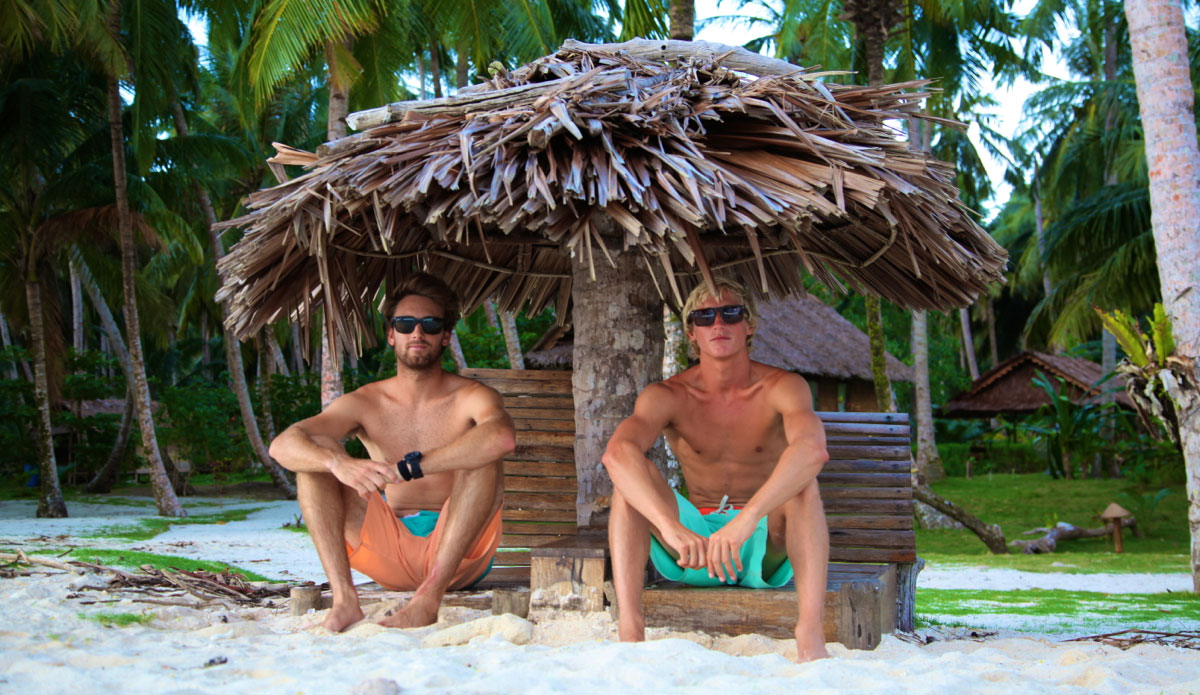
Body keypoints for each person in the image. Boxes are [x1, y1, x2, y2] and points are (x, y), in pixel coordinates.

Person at [269, 273, 515, 632]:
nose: (417, 333)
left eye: (430, 325)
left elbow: (502, 438)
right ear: (391, 335)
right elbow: (284, 444)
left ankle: (428, 601)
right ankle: (345, 600)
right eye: (405, 323)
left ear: (445, 336)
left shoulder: (472, 396)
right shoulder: (367, 401)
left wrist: (410, 468)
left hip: (462, 552)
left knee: (482, 450)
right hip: (387, 550)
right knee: (316, 454)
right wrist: (338, 463)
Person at [601, 278, 831, 662]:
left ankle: (809, 632)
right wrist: (672, 528)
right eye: (705, 316)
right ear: (692, 332)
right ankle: (631, 628)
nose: (718, 324)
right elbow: (616, 455)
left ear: (749, 324)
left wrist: (746, 519)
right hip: (693, 546)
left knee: (804, 486)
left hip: (760, 543)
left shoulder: (784, 387)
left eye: (731, 312)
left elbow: (813, 450)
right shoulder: (668, 395)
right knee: (626, 483)